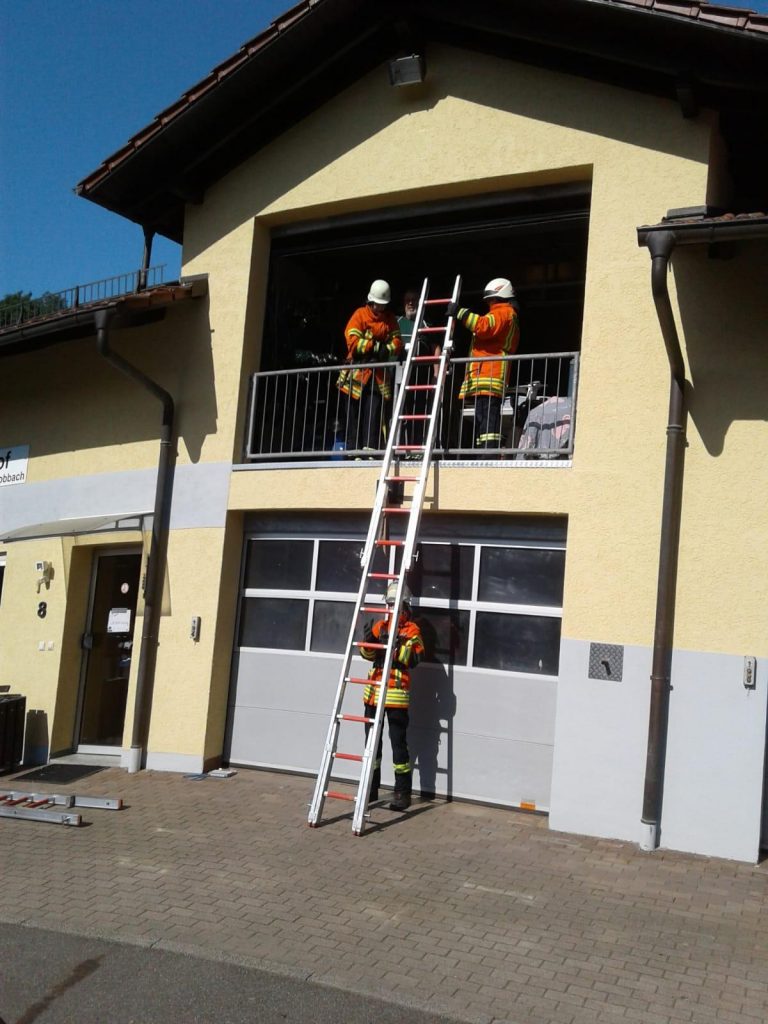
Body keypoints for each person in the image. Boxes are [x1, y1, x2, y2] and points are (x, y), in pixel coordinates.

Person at [359, 581, 425, 811]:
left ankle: (402, 792)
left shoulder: (412, 631)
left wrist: (396, 648)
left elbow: (415, 658)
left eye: (396, 605)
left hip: (395, 698)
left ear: (406, 607)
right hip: (373, 696)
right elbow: (366, 654)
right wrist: (370, 642)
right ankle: (371, 789)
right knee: (372, 747)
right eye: (389, 605)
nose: (392, 610)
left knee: (399, 747)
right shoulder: (381, 626)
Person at [447, 278, 520, 452]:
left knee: (488, 418)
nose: (488, 303)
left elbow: (483, 326)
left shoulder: (503, 313)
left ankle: (488, 453)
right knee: (482, 418)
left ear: (500, 296)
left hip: (491, 373)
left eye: (490, 299)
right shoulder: (503, 313)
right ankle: (483, 451)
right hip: (485, 374)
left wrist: (460, 313)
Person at [337, 280, 402, 454]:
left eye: (383, 305)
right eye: (378, 305)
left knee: (373, 414)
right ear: (371, 301)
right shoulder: (359, 315)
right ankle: (353, 451)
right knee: (353, 415)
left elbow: (397, 343)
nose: (380, 308)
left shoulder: (390, 319)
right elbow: (352, 341)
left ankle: (370, 450)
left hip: (378, 376)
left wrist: (385, 349)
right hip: (356, 373)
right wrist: (373, 346)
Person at [398, 287, 441, 456]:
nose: (410, 303)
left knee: (418, 414)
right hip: (400, 379)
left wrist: (436, 376)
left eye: (414, 300)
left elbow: (436, 348)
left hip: (420, 379)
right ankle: (400, 448)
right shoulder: (397, 323)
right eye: (407, 300)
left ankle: (416, 449)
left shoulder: (426, 324)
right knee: (399, 414)